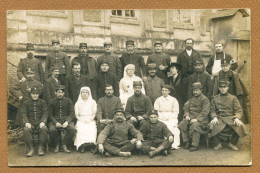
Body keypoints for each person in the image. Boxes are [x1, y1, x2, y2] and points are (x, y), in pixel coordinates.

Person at [209, 80, 247, 151]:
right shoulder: (215, 98)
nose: (223, 89)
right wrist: (214, 117)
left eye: (225, 87)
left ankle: (232, 143)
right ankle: (218, 144)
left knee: (240, 125)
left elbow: (238, 110)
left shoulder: (233, 98)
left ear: (227, 88)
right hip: (220, 118)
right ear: (219, 88)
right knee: (211, 125)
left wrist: (237, 118)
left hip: (231, 118)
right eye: (221, 87)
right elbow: (212, 111)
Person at [212, 58, 249, 123]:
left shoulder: (234, 75)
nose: (225, 67)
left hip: (233, 93)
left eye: (226, 66)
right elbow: (215, 87)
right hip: (221, 94)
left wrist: (246, 94)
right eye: (223, 66)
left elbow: (240, 85)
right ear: (221, 66)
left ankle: (236, 119)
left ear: (229, 66)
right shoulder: (218, 75)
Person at [178, 82, 210, 151]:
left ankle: (195, 144)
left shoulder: (205, 99)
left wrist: (197, 119)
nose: (195, 92)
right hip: (191, 117)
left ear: (201, 90)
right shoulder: (191, 99)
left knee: (195, 125)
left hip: (202, 120)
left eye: (197, 90)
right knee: (183, 123)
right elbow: (186, 108)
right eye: (194, 90)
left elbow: (205, 112)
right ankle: (187, 142)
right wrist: (187, 115)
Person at [21, 86, 48, 157]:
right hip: (30, 123)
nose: (35, 95)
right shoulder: (26, 103)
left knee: (44, 129)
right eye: (33, 93)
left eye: (36, 93)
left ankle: (40, 148)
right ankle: (31, 148)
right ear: (30, 94)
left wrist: (43, 122)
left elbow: (45, 113)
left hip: (40, 123)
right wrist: (26, 122)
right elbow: (24, 113)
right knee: (26, 130)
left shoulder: (43, 102)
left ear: (39, 94)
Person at [48, 85, 76, 153]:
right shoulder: (51, 102)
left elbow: (72, 113)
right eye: (58, 92)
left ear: (64, 93)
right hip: (55, 120)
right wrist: (55, 122)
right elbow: (50, 115)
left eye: (61, 92)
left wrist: (67, 121)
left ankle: (64, 144)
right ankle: (57, 145)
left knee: (72, 129)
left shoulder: (68, 100)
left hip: (66, 120)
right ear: (55, 93)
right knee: (52, 130)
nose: (60, 94)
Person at [154, 85, 180, 150]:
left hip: (171, 117)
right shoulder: (158, 100)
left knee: (172, 126)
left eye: (166, 91)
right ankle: (163, 144)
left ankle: (173, 144)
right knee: (162, 125)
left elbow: (176, 111)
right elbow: (156, 111)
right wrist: (161, 117)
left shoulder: (174, 100)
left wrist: (169, 117)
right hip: (161, 116)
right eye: (163, 90)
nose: (164, 92)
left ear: (169, 91)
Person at [177, 38, 202, 103]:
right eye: (187, 43)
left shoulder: (197, 53)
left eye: (190, 43)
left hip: (195, 76)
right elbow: (178, 67)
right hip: (185, 77)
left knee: (195, 92)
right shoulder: (180, 54)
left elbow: (202, 65)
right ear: (185, 44)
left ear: (193, 44)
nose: (189, 45)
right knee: (185, 93)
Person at [74, 87, 97, 153]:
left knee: (92, 128)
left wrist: (90, 119)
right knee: (81, 128)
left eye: (86, 92)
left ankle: (91, 145)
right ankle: (82, 146)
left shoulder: (93, 102)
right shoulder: (77, 103)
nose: (85, 94)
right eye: (83, 92)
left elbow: (94, 113)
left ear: (89, 94)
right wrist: (81, 120)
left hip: (90, 119)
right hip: (81, 119)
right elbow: (76, 115)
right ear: (80, 94)